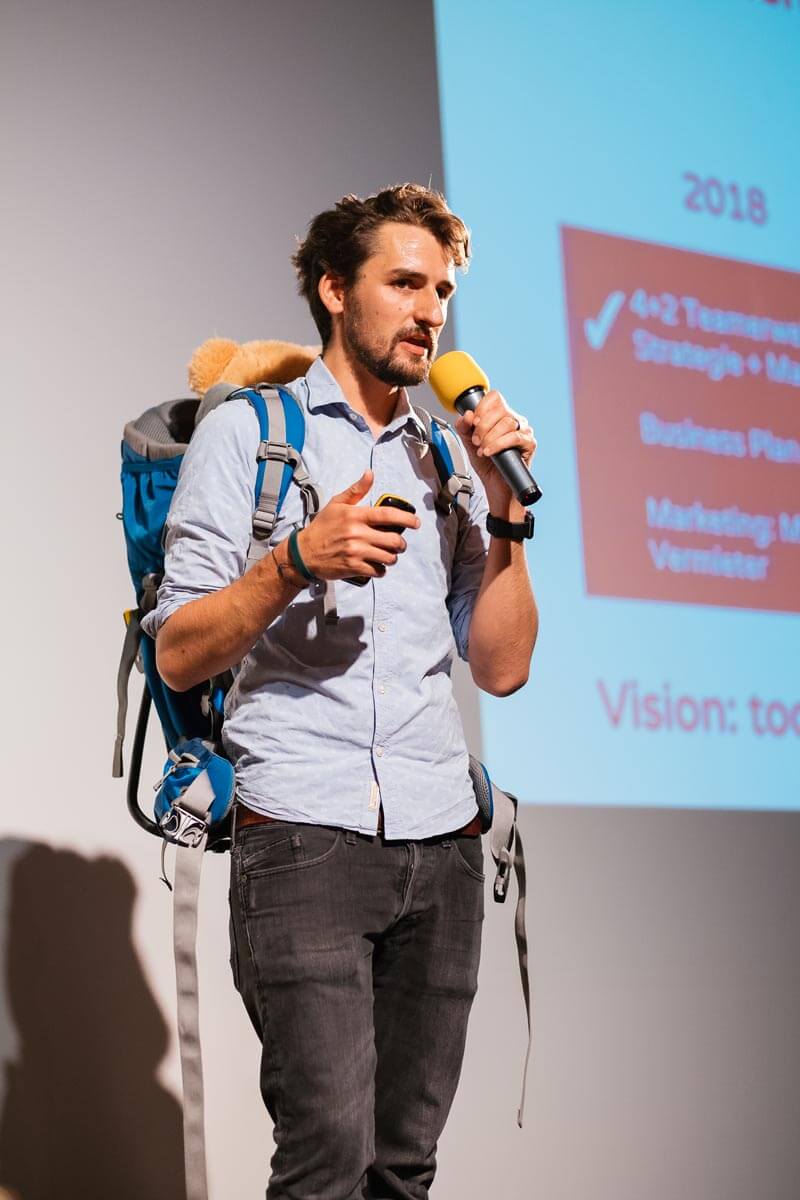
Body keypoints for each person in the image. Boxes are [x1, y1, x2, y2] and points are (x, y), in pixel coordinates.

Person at [143, 183, 538, 1199]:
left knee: (402, 1168)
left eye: (441, 291)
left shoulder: (447, 456)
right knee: (324, 1160)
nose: (429, 311)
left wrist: (505, 513)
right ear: (332, 289)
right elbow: (179, 654)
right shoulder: (250, 434)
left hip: (441, 843)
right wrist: (295, 561)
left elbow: (501, 667)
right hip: (302, 837)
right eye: (404, 283)